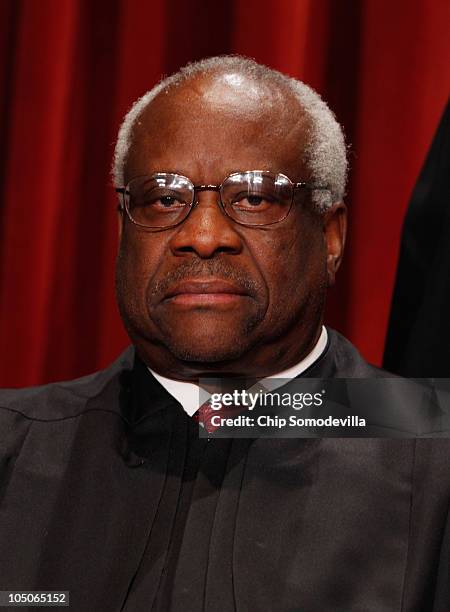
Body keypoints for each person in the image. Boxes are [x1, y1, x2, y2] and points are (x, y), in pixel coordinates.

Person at [0, 56, 448, 611]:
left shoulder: (434, 455)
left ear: (330, 237)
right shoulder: (14, 447)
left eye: (254, 197)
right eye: (165, 198)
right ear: (122, 230)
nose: (204, 235)